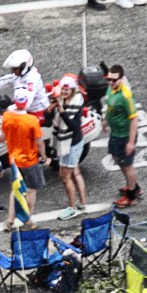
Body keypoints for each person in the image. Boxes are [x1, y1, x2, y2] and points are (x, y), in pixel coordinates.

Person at [1, 89, 45, 228]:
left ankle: (10, 220)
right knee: (31, 190)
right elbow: (39, 142)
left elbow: (4, 135)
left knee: (15, 189)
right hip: (29, 160)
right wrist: (44, 156)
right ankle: (28, 219)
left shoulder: (6, 116)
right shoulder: (31, 120)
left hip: (13, 160)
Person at [48, 77, 88, 220]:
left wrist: (61, 110)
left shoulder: (75, 103)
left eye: (67, 89)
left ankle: (72, 207)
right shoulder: (65, 99)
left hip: (71, 144)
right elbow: (49, 118)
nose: (64, 91)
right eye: (63, 89)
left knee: (65, 177)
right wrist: (52, 108)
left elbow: (73, 126)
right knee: (76, 173)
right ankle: (82, 203)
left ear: (73, 89)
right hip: (73, 142)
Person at [103, 65, 141, 208]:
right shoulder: (111, 89)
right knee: (116, 158)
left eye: (114, 80)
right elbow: (110, 106)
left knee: (127, 165)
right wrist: (106, 119)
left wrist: (131, 142)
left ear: (121, 79)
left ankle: (131, 197)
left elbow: (134, 119)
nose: (111, 83)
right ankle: (134, 186)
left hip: (124, 135)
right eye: (109, 79)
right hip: (115, 133)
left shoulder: (126, 96)